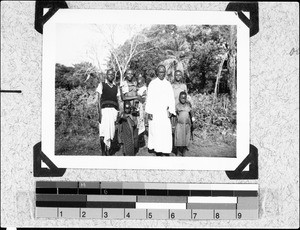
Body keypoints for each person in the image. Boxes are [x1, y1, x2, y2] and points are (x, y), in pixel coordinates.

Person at [145, 65, 176, 156]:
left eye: (163, 72)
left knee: (165, 131)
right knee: (156, 130)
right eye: (160, 72)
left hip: (164, 112)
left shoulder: (168, 84)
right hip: (155, 111)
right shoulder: (152, 83)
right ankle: (157, 150)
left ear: (165, 73)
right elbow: (149, 98)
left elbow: (171, 99)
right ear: (157, 72)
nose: (161, 74)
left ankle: (165, 149)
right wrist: (149, 112)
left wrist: (171, 110)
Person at [96, 69, 121, 155]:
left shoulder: (116, 86)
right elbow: (98, 100)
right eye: (109, 74)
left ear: (114, 76)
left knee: (111, 132)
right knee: (103, 132)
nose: (111, 76)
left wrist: (118, 112)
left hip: (113, 112)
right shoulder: (102, 85)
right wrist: (99, 114)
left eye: (112, 75)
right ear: (106, 75)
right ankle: (103, 152)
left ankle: (108, 150)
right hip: (104, 112)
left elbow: (118, 100)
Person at [174, 91, 195, 156]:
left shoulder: (188, 105)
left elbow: (192, 113)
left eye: (184, 98)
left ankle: (184, 151)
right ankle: (177, 151)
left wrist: (193, 121)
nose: (183, 99)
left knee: (186, 137)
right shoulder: (177, 106)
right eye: (181, 98)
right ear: (179, 98)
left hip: (187, 125)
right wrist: (173, 125)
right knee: (179, 137)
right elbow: (175, 115)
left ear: (186, 98)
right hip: (179, 125)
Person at [136, 76, 147, 148]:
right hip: (138, 108)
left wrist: (137, 96)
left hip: (143, 109)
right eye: (138, 83)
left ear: (143, 83)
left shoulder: (144, 89)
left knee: (142, 124)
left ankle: (141, 141)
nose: (139, 84)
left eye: (140, 83)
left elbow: (143, 100)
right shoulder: (138, 89)